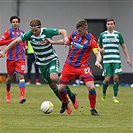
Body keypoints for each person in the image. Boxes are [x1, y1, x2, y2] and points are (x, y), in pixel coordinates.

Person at [0, 19, 78, 114]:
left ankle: (72, 96)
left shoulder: (47, 32)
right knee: (52, 85)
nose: (34, 32)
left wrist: (65, 38)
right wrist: (4, 51)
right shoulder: (29, 34)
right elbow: (16, 41)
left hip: (52, 60)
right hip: (41, 63)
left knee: (54, 77)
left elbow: (63, 31)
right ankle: (64, 102)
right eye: (32, 30)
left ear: (40, 28)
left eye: (36, 30)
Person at [47, 19, 102, 116]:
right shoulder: (75, 33)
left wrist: (97, 61)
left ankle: (92, 109)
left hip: (82, 66)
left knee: (91, 87)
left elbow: (97, 54)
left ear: (86, 29)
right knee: (60, 88)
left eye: (80, 31)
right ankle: (65, 102)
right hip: (69, 65)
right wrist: (53, 42)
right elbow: (67, 41)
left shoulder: (91, 40)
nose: (78, 33)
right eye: (77, 31)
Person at [98, 18, 132, 103]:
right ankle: (104, 94)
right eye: (108, 24)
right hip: (107, 60)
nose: (110, 26)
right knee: (107, 79)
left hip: (116, 59)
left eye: (111, 24)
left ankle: (115, 96)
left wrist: (128, 58)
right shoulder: (103, 35)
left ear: (114, 25)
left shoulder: (118, 35)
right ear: (106, 25)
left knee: (116, 78)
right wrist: (100, 50)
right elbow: (97, 46)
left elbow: (123, 46)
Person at [0, 16, 27, 104]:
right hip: (10, 58)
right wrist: (11, 41)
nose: (15, 23)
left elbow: (25, 42)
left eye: (17, 22)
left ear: (19, 23)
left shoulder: (22, 32)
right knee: (9, 78)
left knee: (21, 76)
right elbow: (1, 42)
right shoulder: (8, 32)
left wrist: (25, 46)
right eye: (13, 22)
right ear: (11, 23)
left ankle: (22, 97)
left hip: (20, 58)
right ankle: (8, 93)